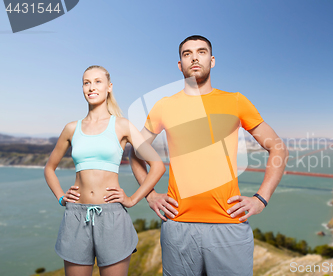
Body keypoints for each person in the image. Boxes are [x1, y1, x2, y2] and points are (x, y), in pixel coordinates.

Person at [129, 35, 289, 276]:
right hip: (177, 227)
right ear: (180, 64)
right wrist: (150, 196)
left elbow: (278, 147)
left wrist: (261, 199)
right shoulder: (163, 105)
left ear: (212, 61)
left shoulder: (236, 101)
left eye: (201, 52)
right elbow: (135, 154)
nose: (194, 57)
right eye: (187, 53)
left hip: (229, 227)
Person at [44, 65, 166, 276]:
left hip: (112, 216)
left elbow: (158, 165)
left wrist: (132, 199)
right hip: (75, 216)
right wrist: (61, 197)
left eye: (97, 82)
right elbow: (49, 168)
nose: (91, 87)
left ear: (109, 87)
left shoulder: (122, 125)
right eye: (86, 82)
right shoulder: (72, 128)